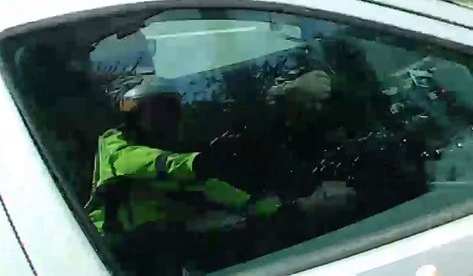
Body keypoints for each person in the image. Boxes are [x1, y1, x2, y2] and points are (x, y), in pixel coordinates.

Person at [86, 74, 347, 272]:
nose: (166, 120)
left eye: (171, 110)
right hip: (114, 249)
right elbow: (148, 163)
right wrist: (200, 163)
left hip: (160, 241)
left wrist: (271, 207)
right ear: (131, 118)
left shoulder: (172, 156)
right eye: (156, 113)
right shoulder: (115, 146)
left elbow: (208, 187)